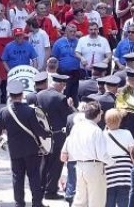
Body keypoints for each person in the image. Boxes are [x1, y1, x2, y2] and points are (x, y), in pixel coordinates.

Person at [0, 80, 52, 207]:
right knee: (34, 177)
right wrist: (47, 133)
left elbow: (1, 128)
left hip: (15, 150)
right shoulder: (29, 111)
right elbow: (37, 130)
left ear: (10, 95)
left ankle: (19, 203)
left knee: (17, 178)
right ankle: (37, 203)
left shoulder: (4, 112)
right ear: (22, 94)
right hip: (31, 150)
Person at [60, 100, 113, 207]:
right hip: (94, 166)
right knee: (96, 201)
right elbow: (101, 154)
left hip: (79, 165)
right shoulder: (96, 130)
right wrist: (112, 162)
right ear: (98, 115)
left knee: (80, 200)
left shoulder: (77, 127)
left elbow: (70, 145)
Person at [36, 73, 75, 201]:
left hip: (43, 134)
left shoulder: (39, 95)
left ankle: (41, 187)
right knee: (56, 164)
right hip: (57, 135)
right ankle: (50, 190)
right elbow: (69, 118)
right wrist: (71, 107)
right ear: (60, 84)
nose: (64, 88)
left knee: (44, 162)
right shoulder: (61, 98)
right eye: (63, 85)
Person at [103, 108, 134, 207]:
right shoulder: (127, 133)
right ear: (120, 121)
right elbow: (132, 152)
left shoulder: (102, 135)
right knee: (124, 199)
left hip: (109, 170)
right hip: (125, 170)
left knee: (109, 198)